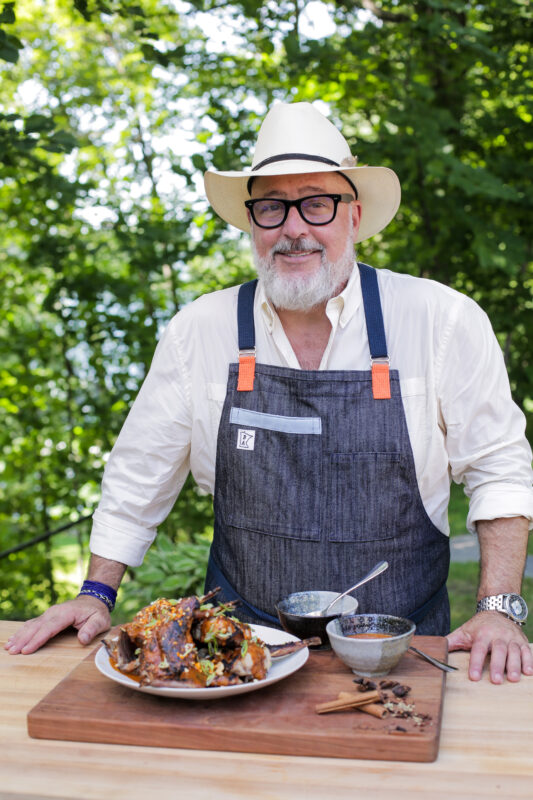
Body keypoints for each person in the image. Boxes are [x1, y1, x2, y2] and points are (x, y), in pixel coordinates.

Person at [6, 102, 533, 684]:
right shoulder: (199, 331)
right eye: (272, 207)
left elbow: (500, 470)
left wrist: (497, 610)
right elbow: (137, 478)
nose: (294, 227)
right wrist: (95, 592)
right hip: (239, 661)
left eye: (316, 202)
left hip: (400, 655)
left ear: (353, 216)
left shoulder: (443, 320)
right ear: (252, 222)